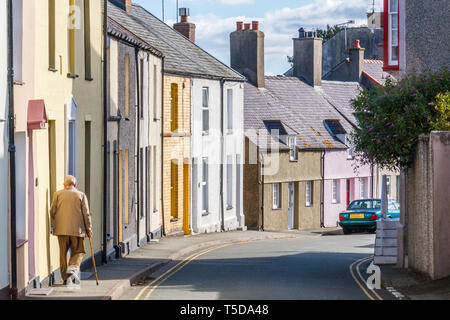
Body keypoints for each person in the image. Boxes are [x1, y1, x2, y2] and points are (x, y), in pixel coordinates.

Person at [50, 175, 92, 285]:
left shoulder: (57, 194)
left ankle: (65, 278)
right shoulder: (81, 195)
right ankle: (73, 269)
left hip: (61, 230)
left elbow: (52, 211)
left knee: (62, 254)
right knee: (78, 251)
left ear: (64, 185)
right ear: (75, 185)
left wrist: (58, 221)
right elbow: (86, 214)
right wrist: (89, 229)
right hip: (77, 231)